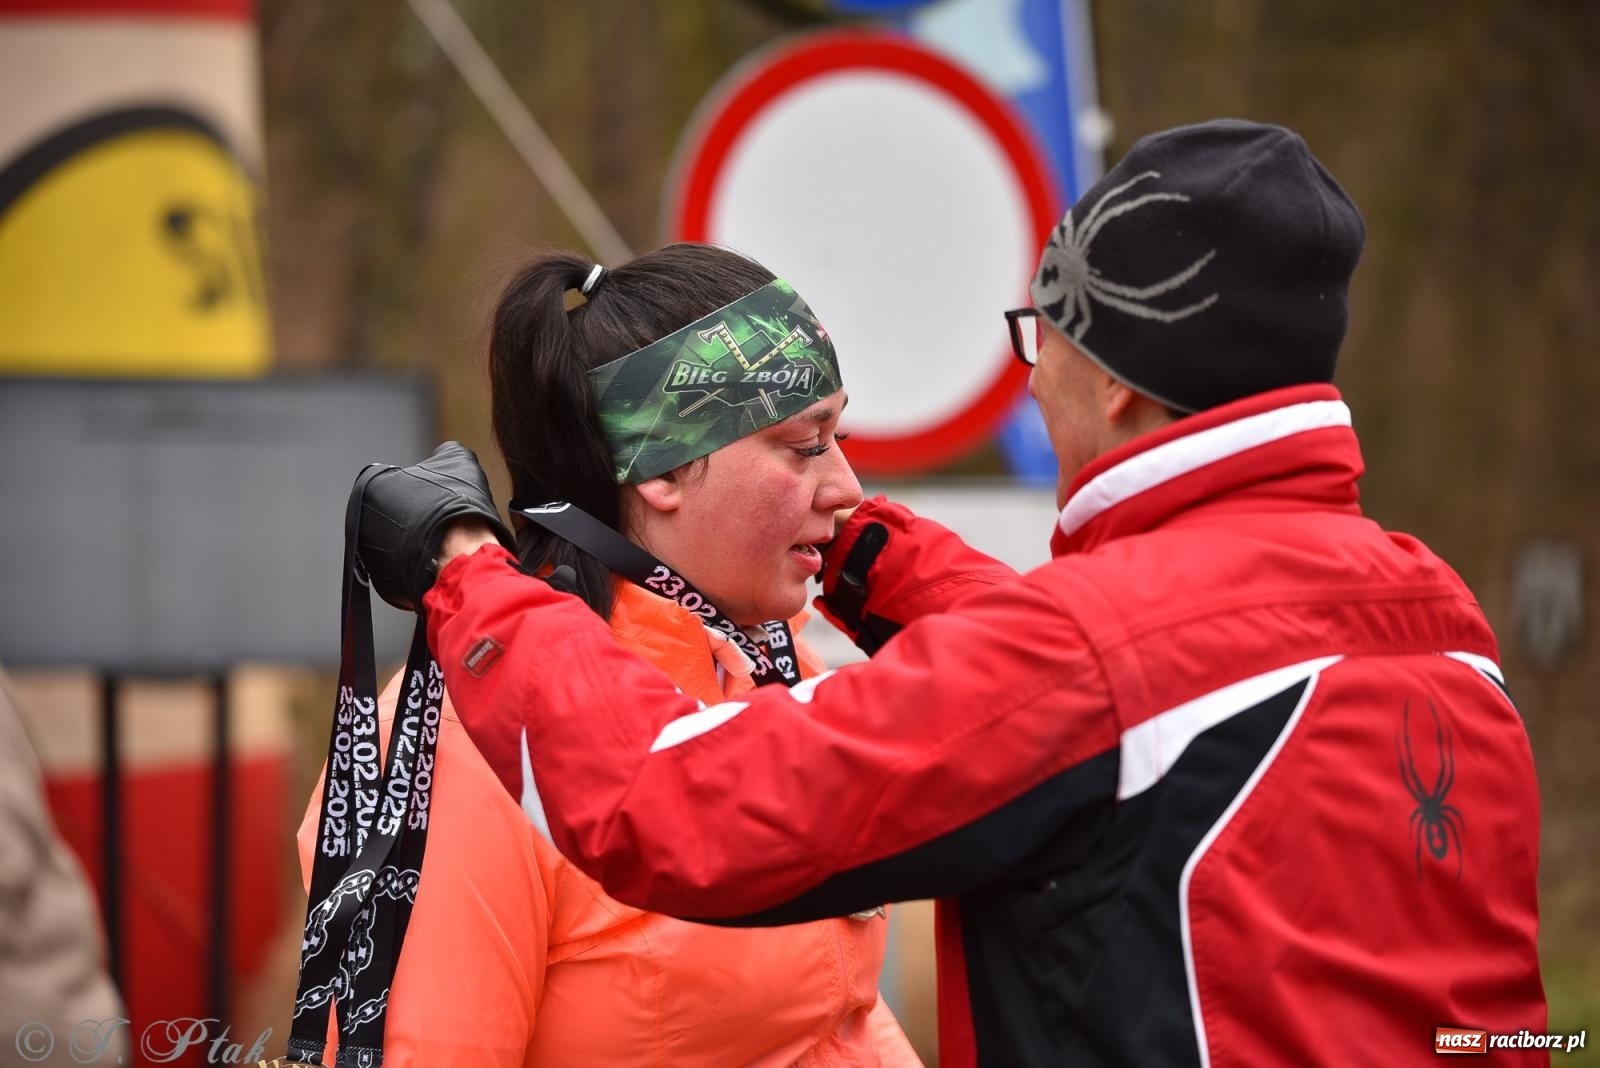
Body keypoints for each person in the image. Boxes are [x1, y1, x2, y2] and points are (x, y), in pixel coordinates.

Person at [360, 121, 1546, 1065]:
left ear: (1117, 383)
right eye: (802, 445)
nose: (1031, 384)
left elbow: (672, 804)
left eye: (1040, 338)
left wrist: (466, 572)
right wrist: (857, 550)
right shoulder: (1439, 620)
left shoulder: (1100, 654)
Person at [297, 245, 921, 1066]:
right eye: (805, 445)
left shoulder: (775, 665)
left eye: (838, 434)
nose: (845, 487)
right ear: (664, 468)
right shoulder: (465, 748)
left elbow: (839, 1021)